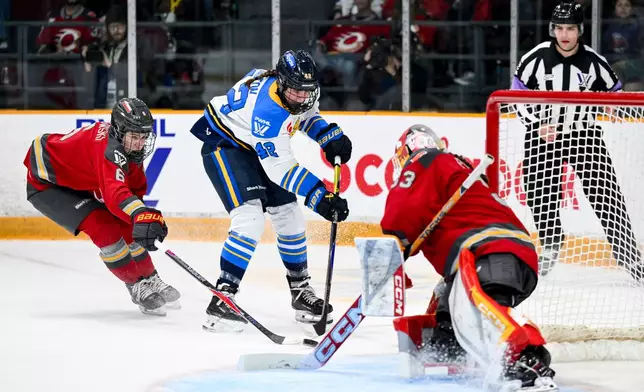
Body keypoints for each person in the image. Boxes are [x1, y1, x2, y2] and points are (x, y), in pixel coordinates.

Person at [380, 124, 556, 388]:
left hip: (490, 251)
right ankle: (458, 351)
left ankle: (530, 356)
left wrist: (391, 247)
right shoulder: (458, 169)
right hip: (505, 254)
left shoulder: (424, 159)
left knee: (484, 316)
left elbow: (403, 210)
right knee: (449, 329)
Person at [189, 50, 352, 332]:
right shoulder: (268, 111)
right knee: (250, 217)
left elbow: (306, 115)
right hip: (226, 145)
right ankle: (223, 297)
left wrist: (328, 136)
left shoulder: (297, 89)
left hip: (254, 144)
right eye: (296, 92)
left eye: (306, 91)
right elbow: (282, 169)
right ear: (282, 83)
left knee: (289, 215)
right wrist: (320, 196)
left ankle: (300, 291)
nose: (302, 97)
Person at [512, 0, 643, 281]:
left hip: (584, 136)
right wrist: (537, 125)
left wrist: (613, 103)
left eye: (570, 28)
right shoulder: (534, 59)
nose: (564, 34)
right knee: (537, 191)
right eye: (559, 28)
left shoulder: (595, 62)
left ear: (579, 30)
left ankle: (630, 257)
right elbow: (515, 96)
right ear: (552, 29)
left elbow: (615, 91)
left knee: (607, 197)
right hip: (542, 136)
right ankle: (551, 241)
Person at [23, 97, 179, 316]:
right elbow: (115, 195)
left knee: (128, 225)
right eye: (135, 136)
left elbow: (132, 194)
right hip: (48, 184)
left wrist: (141, 217)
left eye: (144, 136)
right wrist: (140, 213)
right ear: (119, 131)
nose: (140, 143)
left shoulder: (130, 149)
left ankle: (151, 279)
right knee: (104, 228)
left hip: (79, 180)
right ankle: (136, 285)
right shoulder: (109, 150)